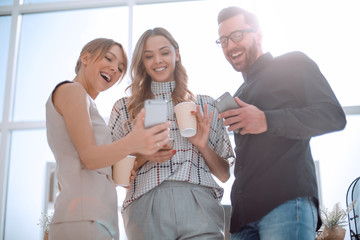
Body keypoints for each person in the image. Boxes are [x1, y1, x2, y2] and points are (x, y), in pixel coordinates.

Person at [215, 6, 347, 240]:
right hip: (242, 221)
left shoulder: (293, 63)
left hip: (286, 205)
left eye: (237, 35)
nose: (230, 45)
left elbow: (333, 115)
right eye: (223, 40)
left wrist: (266, 119)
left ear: (258, 34)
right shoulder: (239, 93)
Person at [108, 27, 234, 240]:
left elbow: (224, 174)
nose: (158, 60)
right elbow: (114, 175)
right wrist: (144, 155)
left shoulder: (204, 105)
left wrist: (202, 144)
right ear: (142, 63)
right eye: (149, 56)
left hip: (199, 203)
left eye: (164, 52)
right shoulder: (124, 109)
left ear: (177, 54)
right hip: (145, 205)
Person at [45, 38, 170, 240]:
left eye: (120, 68)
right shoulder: (72, 90)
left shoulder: (87, 104)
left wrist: (139, 156)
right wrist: (135, 139)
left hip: (97, 220)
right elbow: (89, 157)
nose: (114, 69)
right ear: (85, 57)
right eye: (109, 59)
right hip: (82, 220)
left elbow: (94, 162)